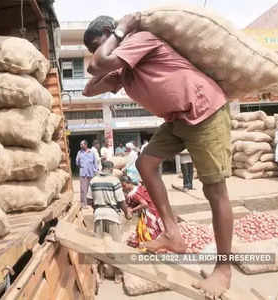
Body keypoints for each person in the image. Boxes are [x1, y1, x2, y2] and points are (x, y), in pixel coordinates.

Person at [83, 14, 232, 297]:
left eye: (96, 44)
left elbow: (98, 63)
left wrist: (122, 30)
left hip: (205, 111)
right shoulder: (125, 69)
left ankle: (223, 270)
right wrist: (107, 67)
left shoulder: (141, 39)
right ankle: (173, 234)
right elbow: (91, 85)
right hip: (177, 120)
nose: (96, 51)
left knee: (214, 191)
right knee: (145, 163)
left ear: (109, 31)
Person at [87, 161, 132, 283]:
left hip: (98, 215)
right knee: (117, 246)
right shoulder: (114, 180)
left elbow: (89, 200)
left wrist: (97, 209)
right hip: (112, 214)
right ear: (111, 169)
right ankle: (117, 275)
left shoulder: (93, 180)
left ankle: (101, 275)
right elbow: (121, 200)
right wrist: (127, 212)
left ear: (102, 168)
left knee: (99, 246)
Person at [121, 175, 164, 248]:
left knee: (150, 229)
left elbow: (144, 204)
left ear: (129, 183)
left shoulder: (134, 194)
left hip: (150, 212)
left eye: (124, 186)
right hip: (154, 209)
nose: (123, 188)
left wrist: (132, 210)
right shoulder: (138, 188)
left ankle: (152, 245)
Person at [76, 140, 97, 209]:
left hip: (91, 173)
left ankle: (93, 202)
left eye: (82, 144)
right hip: (83, 173)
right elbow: (77, 163)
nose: (81, 146)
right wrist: (82, 167)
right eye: (80, 144)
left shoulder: (92, 152)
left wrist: (95, 170)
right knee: (83, 189)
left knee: (92, 189)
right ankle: (83, 204)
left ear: (86, 145)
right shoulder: (79, 153)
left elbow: (95, 162)